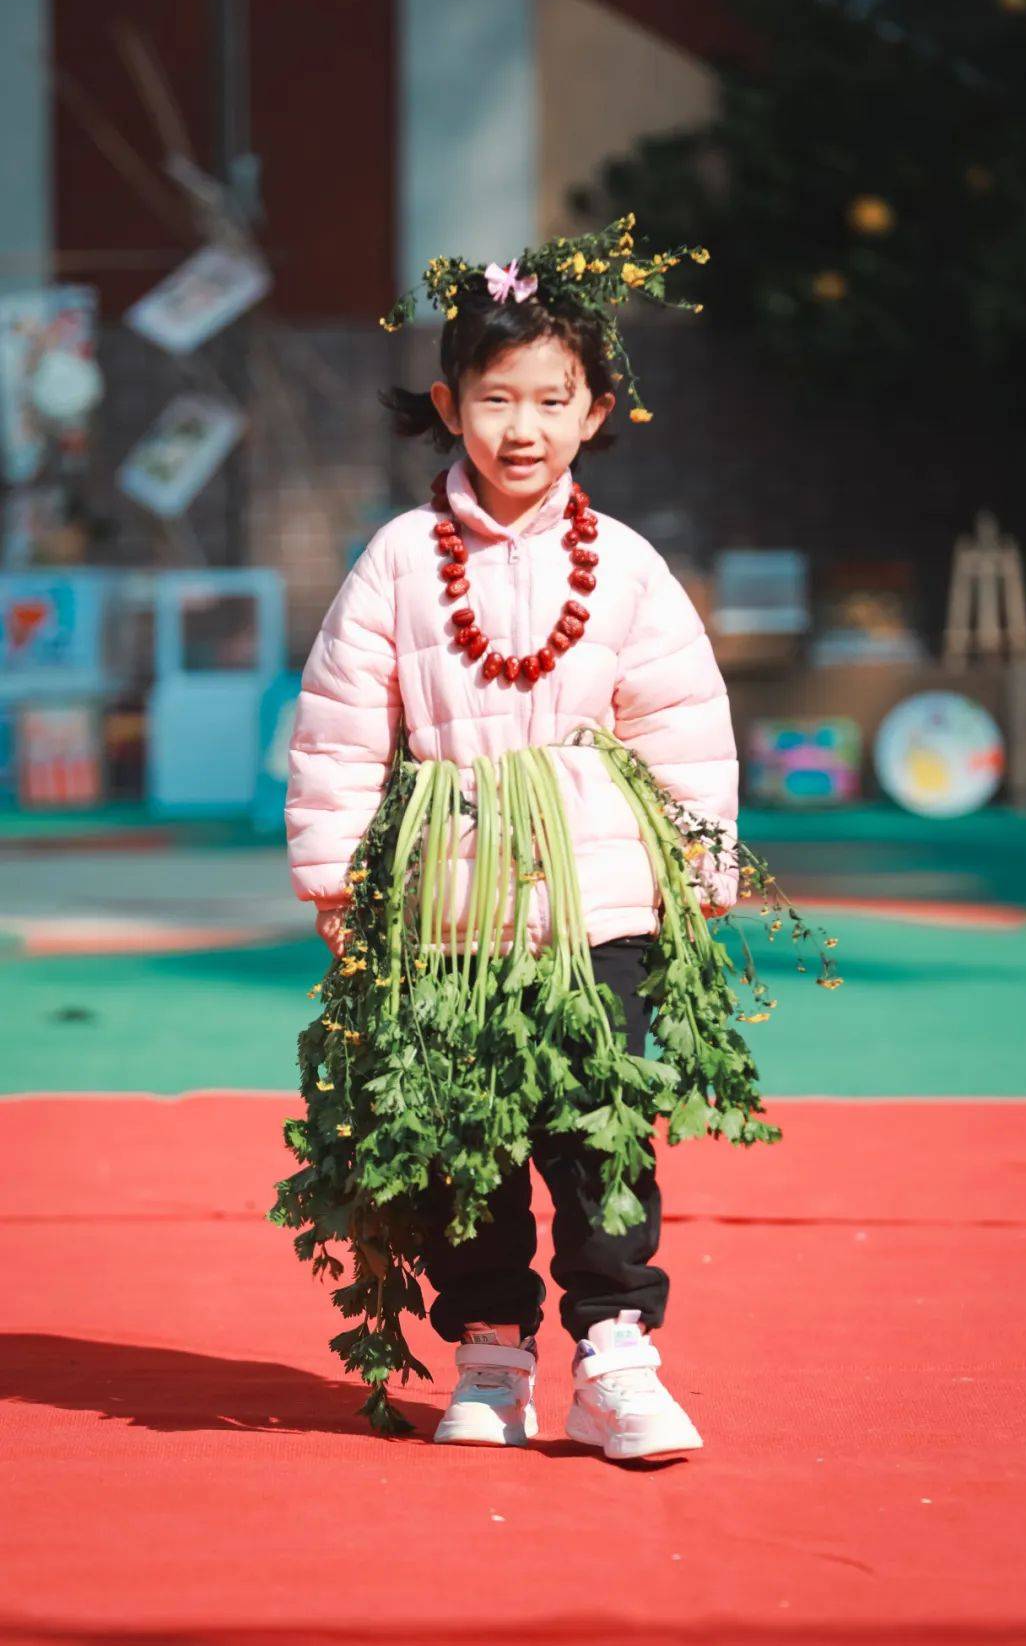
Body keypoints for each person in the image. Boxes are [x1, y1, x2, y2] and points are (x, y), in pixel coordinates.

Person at [284, 215, 748, 1462]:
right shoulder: (393, 562)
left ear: (598, 409)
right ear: (449, 403)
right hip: (448, 905)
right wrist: (336, 874)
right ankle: (491, 1357)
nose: (525, 427)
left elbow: (682, 724)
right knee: (467, 1142)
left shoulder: (631, 567)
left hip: (598, 902)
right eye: (497, 398)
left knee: (601, 1129)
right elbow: (338, 728)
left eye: (555, 398)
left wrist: (698, 871)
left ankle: (615, 1358)